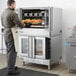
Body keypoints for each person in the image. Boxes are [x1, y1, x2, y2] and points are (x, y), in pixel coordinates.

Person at [1, 0, 24, 75]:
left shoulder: (3, 13)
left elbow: (2, 23)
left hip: (5, 33)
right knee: (13, 52)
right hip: (11, 34)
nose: (15, 6)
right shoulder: (13, 13)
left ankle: (11, 66)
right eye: (15, 4)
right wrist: (23, 24)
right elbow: (19, 24)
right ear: (12, 4)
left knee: (9, 51)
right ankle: (11, 69)